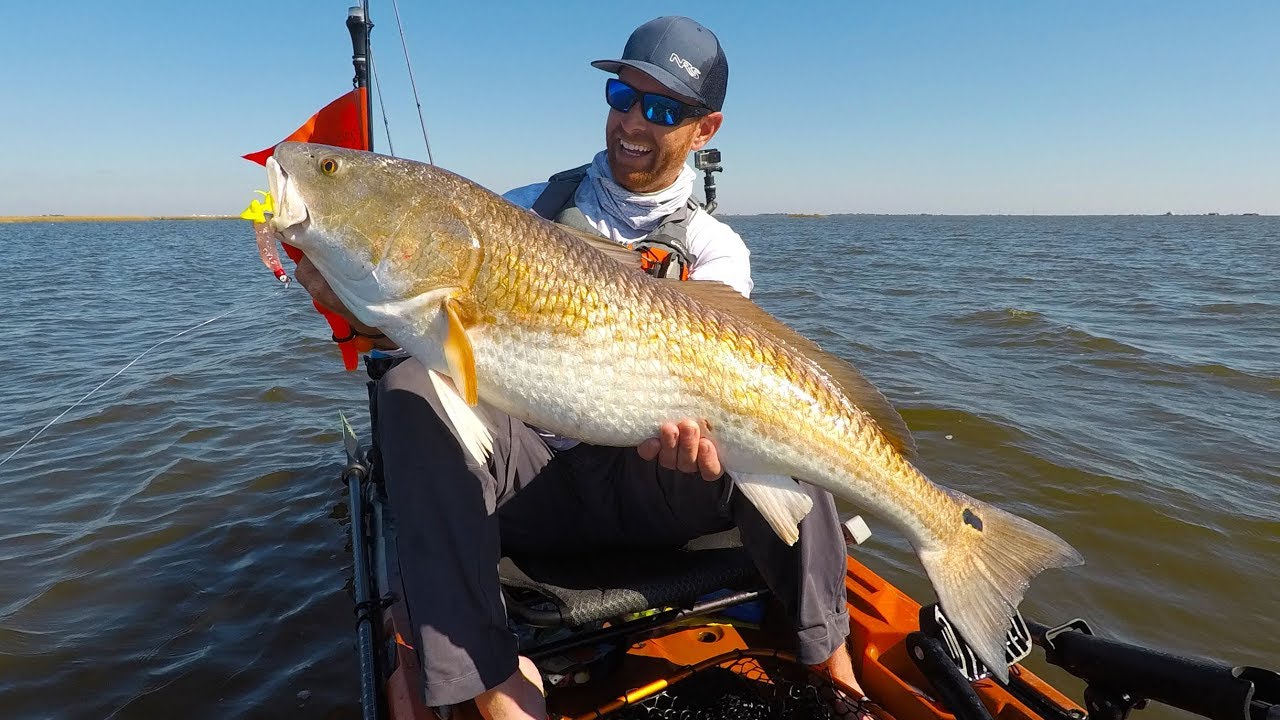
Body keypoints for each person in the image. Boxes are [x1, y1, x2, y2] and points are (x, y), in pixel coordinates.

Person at [296, 16, 866, 720]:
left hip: (654, 478)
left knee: (795, 428)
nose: (633, 121)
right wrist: (351, 305)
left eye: (661, 109)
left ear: (705, 129)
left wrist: (710, 444)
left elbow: (723, 396)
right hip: (534, 482)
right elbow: (418, 336)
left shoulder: (718, 251)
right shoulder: (521, 211)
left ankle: (830, 658)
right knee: (408, 391)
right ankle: (489, 676)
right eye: (622, 96)